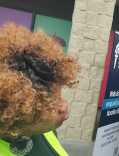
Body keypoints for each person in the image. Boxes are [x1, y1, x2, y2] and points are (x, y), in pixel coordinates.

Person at [0, 23, 79, 156]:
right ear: (14, 114)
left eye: (59, 95)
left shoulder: (40, 130)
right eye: (49, 104)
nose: (64, 106)